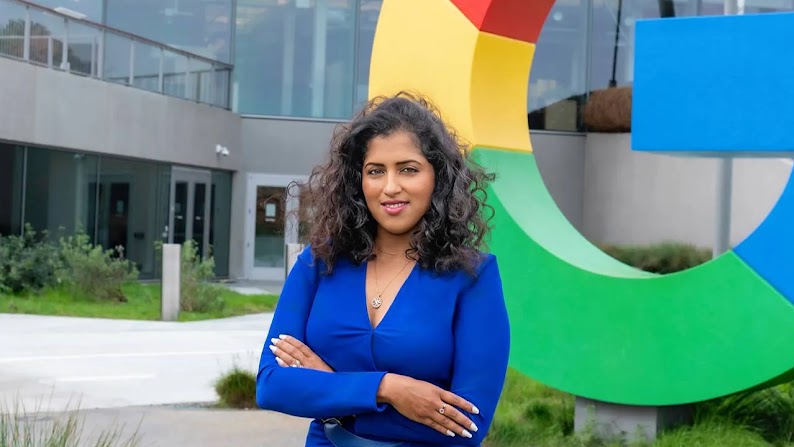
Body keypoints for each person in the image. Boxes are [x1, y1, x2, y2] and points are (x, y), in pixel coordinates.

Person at [256, 92, 511, 447]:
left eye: (408, 169)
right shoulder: (318, 263)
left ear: (438, 178)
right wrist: (389, 389)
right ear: (357, 182)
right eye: (375, 171)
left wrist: (331, 392)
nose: (390, 187)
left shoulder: (472, 277)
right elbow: (271, 385)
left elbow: (467, 425)